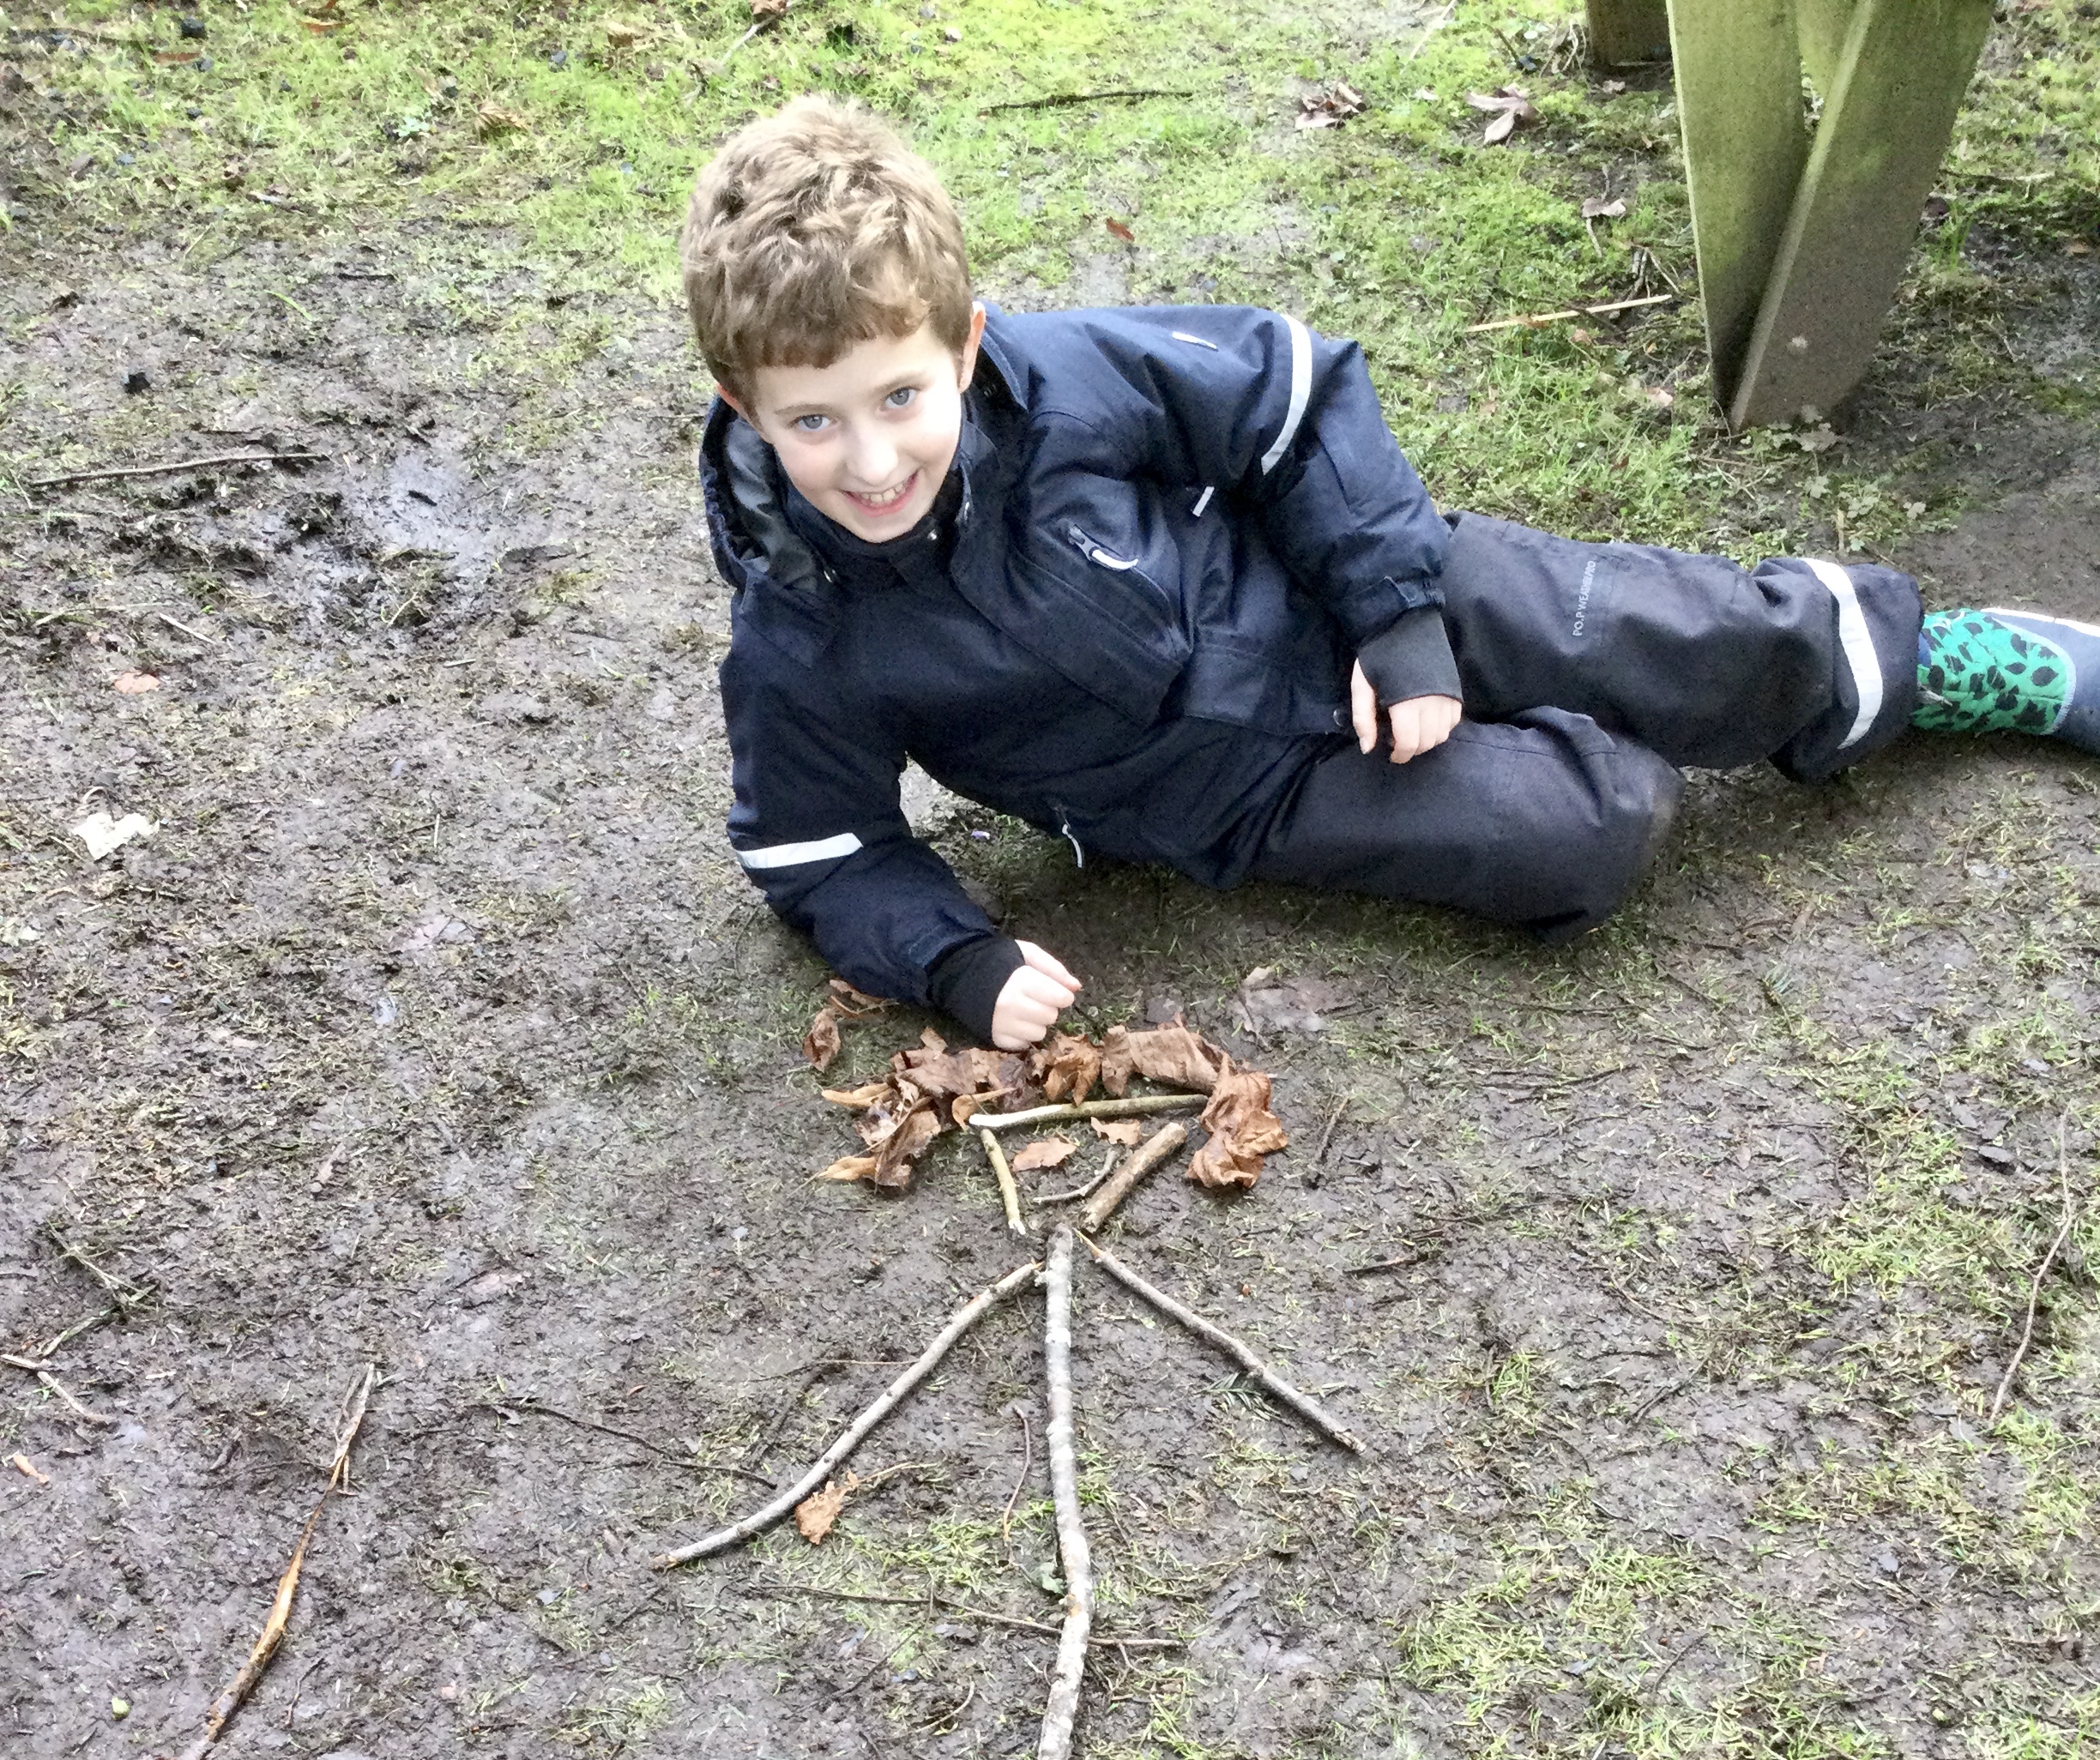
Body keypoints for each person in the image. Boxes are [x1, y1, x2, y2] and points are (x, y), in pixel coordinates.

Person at [680, 95, 2100, 1052]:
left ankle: (1949, 661)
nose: (869, 460)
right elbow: (815, 848)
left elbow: (1288, 391)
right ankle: (1598, 734)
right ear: (748, 409)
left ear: (966, 348)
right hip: (1234, 795)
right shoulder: (799, 639)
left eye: (898, 399)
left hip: (1331, 593)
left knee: (1670, 627)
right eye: (813, 421)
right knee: (1586, 837)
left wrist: (1395, 614)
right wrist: (954, 961)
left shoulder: (1060, 382)